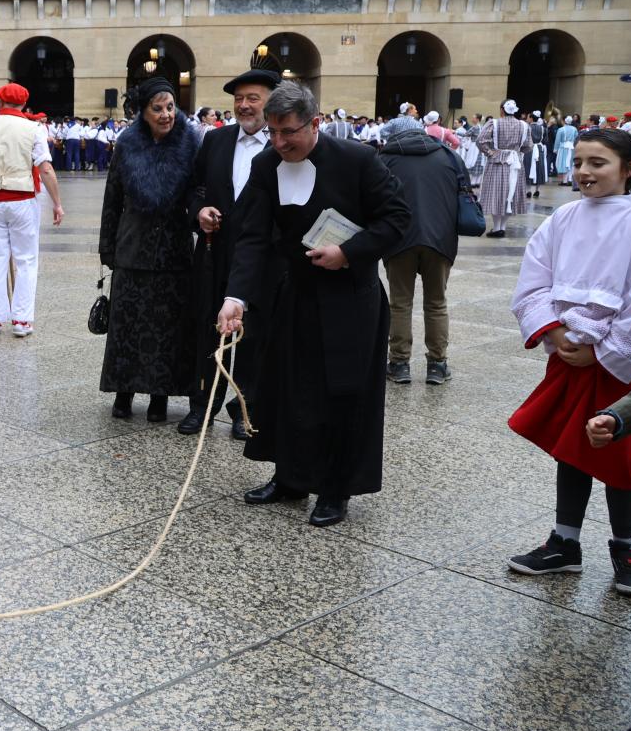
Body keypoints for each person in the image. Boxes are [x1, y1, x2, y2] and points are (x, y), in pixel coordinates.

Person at [217, 81, 410, 528]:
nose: (280, 142)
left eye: (289, 132)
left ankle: (335, 487)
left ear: (315, 123)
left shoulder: (358, 160)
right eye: (273, 132)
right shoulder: (267, 166)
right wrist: (235, 297)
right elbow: (250, 237)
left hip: (350, 298)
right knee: (289, 389)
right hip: (296, 296)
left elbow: (397, 219)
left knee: (342, 394)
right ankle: (290, 477)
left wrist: (349, 252)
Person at [507, 128, 631, 595]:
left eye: (598, 163)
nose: (584, 171)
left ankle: (626, 548)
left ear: (629, 168)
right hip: (569, 353)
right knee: (572, 447)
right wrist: (558, 331)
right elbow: (535, 277)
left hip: (618, 363)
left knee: (620, 454)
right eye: (580, 162)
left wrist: (601, 350)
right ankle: (565, 542)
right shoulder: (563, 217)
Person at [179, 67, 281, 437]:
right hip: (214, 253)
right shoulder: (216, 141)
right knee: (207, 327)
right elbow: (195, 190)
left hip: (264, 260)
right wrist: (199, 213)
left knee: (254, 335)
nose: (244, 105)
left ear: (271, 101)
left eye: (253, 98)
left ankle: (244, 409)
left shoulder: (282, 145)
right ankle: (200, 404)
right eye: (239, 99)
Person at [99, 76, 199, 423]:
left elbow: (197, 191)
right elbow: (112, 198)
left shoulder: (190, 143)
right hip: (133, 248)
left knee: (168, 327)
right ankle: (123, 392)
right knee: (126, 325)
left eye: (170, 107)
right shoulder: (127, 144)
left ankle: (160, 396)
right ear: (142, 112)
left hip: (173, 250)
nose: (166, 114)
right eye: (157, 108)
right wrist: (107, 248)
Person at [0, 82, 64, 338]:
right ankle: (21, 320)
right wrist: (57, 203)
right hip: (22, 199)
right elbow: (46, 168)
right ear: (23, 104)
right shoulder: (33, 128)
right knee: (26, 259)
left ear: (0, 102)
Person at [380, 119, 467, 386]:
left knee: (400, 304)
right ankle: (437, 366)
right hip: (439, 241)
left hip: (399, 240)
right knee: (437, 302)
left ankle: (399, 364)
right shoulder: (449, 156)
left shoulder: (384, 159)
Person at [478, 99, 532, 237]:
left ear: (502, 109)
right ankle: (502, 226)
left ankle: (497, 228)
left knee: (496, 193)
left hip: (498, 161)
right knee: (511, 193)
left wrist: (490, 152)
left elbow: (480, 140)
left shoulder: (494, 123)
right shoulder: (524, 125)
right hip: (515, 162)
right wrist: (517, 151)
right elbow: (528, 145)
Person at [554, 114, 579, 183]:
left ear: (565, 121)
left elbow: (557, 140)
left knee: (563, 163)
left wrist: (555, 149)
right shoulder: (574, 129)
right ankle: (570, 179)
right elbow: (576, 139)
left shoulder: (561, 129)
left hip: (563, 148)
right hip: (572, 148)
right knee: (570, 163)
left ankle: (564, 180)